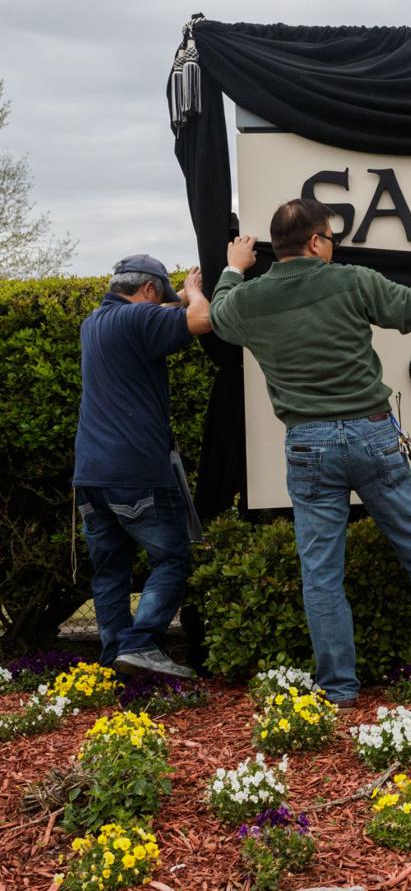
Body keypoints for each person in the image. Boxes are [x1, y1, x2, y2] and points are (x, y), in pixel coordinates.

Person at [210, 198, 411, 706]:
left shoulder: (251, 298)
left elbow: (220, 318)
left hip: (308, 443)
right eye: (331, 238)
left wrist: (232, 267)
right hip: (372, 432)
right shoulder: (351, 280)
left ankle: (339, 688)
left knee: (321, 570)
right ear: (316, 241)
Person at [74, 254, 211, 678]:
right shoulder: (138, 322)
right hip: (134, 471)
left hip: (90, 474)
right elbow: (201, 320)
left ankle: (115, 657)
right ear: (148, 290)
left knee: (111, 569)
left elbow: (160, 315)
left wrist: (176, 300)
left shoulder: (95, 322)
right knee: (172, 559)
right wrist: (193, 293)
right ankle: (140, 643)